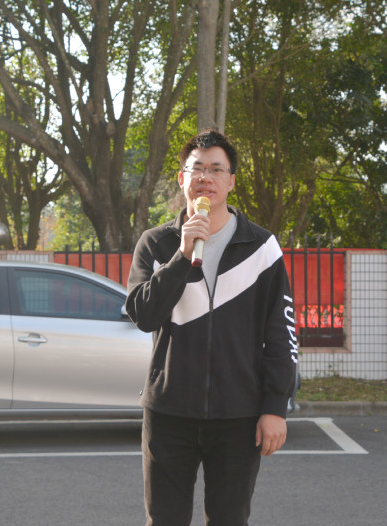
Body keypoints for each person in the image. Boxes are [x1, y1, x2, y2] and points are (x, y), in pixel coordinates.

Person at [125, 129, 298, 526]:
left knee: (229, 519)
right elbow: (143, 315)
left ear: (231, 181)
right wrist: (182, 255)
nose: (206, 177)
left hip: (238, 414)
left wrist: (275, 407)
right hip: (169, 412)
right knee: (164, 519)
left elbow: (282, 333)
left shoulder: (262, 248)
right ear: (182, 178)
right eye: (197, 169)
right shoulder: (155, 243)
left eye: (217, 169)